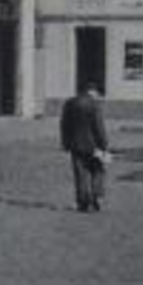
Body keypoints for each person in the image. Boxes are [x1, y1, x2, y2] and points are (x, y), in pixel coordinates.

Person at [59, 83, 110, 213]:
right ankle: (95, 198)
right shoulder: (94, 105)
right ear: (92, 92)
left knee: (80, 174)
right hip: (94, 146)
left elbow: (64, 125)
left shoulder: (69, 103)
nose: (98, 97)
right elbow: (99, 127)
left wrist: (65, 143)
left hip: (75, 145)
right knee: (97, 171)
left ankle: (83, 203)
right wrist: (104, 144)